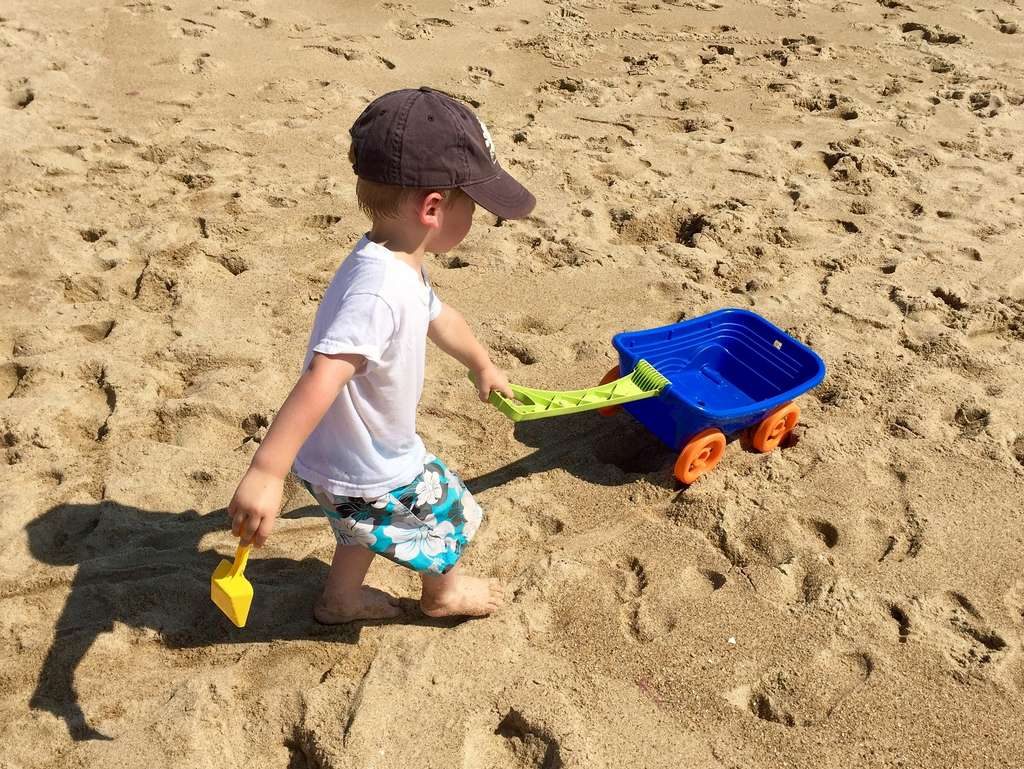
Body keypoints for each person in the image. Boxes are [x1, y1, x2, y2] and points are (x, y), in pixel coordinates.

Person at [227, 87, 536, 622]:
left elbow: (438, 315)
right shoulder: (379, 291)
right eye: (475, 208)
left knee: (359, 523)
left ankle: (340, 599)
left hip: (343, 456)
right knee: (447, 514)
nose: (478, 220)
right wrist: (266, 470)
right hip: (371, 459)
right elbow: (323, 374)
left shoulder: (388, 257)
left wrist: (481, 362)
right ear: (434, 207)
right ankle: (443, 595)